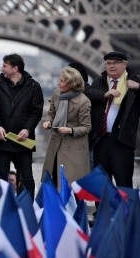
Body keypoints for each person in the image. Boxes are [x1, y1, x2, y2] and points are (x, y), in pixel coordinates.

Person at [0, 54, 43, 197]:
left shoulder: (34, 86)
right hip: (2, 139)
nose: (2, 69)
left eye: (5, 66)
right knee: (1, 176)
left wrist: (27, 129)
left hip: (23, 139)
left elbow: (36, 112)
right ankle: (3, 208)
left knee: (26, 176)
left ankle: (26, 208)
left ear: (15, 68)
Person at [86, 51, 140, 187]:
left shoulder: (134, 81)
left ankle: (125, 209)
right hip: (100, 140)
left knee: (123, 183)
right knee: (102, 183)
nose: (111, 66)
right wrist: (105, 94)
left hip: (122, 140)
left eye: (115, 63)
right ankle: (102, 209)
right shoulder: (100, 81)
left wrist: (138, 87)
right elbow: (87, 93)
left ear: (124, 65)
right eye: (108, 63)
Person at [41, 67, 91, 189]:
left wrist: (70, 130)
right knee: (54, 179)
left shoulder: (84, 102)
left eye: (62, 81)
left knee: (72, 185)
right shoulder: (57, 94)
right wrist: (48, 121)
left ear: (71, 83)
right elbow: (51, 113)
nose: (58, 83)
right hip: (56, 143)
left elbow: (86, 127)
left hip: (73, 148)